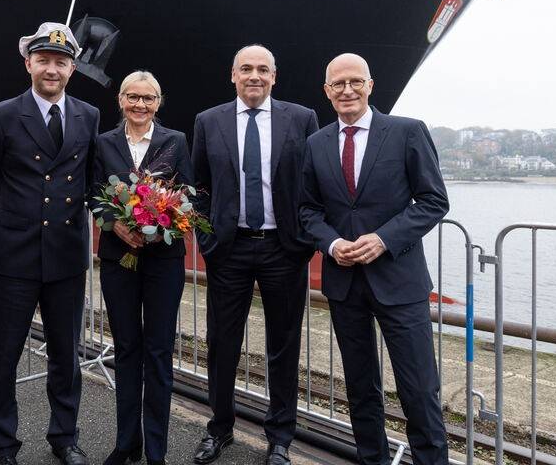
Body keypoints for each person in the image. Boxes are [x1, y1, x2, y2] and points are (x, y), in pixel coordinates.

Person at [298, 53, 450, 465]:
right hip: (345, 283)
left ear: (370, 85)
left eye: (355, 82)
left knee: (419, 388)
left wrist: (383, 239)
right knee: (360, 387)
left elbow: (434, 201)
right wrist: (331, 245)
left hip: (399, 281)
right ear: (327, 92)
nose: (347, 90)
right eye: (337, 84)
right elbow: (307, 210)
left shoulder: (407, 132)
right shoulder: (315, 143)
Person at [189, 45, 319, 465]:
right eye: (246, 69)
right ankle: (220, 428)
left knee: (283, 345)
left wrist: (301, 240)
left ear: (274, 77)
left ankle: (280, 437)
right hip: (230, 249)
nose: (254, 76)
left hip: (283, 249)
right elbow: (200, 188)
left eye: (263, 70)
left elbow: (311, 183)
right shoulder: (208, 122)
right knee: (221, 343)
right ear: (233, 75)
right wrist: (209, 239)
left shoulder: (301, 119)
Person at [0, 22, 101, 465]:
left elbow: (91, 184)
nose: (52, 69)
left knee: (66, 357)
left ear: (72, 68)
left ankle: (64, 438)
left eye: (61, 62)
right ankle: (2, 445)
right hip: (14, 256)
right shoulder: (0, 115)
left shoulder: (89, 115)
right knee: (3, 358)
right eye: (44, 60)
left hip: (67, 257)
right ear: (28, 63)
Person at [90, 72, 191, 465]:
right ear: (120, 99)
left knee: (159, 350)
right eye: (133, 97)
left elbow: (188, 194)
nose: (140, 105)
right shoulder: (103, 143)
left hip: (163, 262)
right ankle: (126, 443)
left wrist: (165, 223)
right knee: (128, 349)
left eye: (148, 99)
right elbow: (94, 194)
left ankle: (157, 451)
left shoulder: (175, 141)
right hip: (119, 260)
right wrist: (114, 222)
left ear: (159, 102)